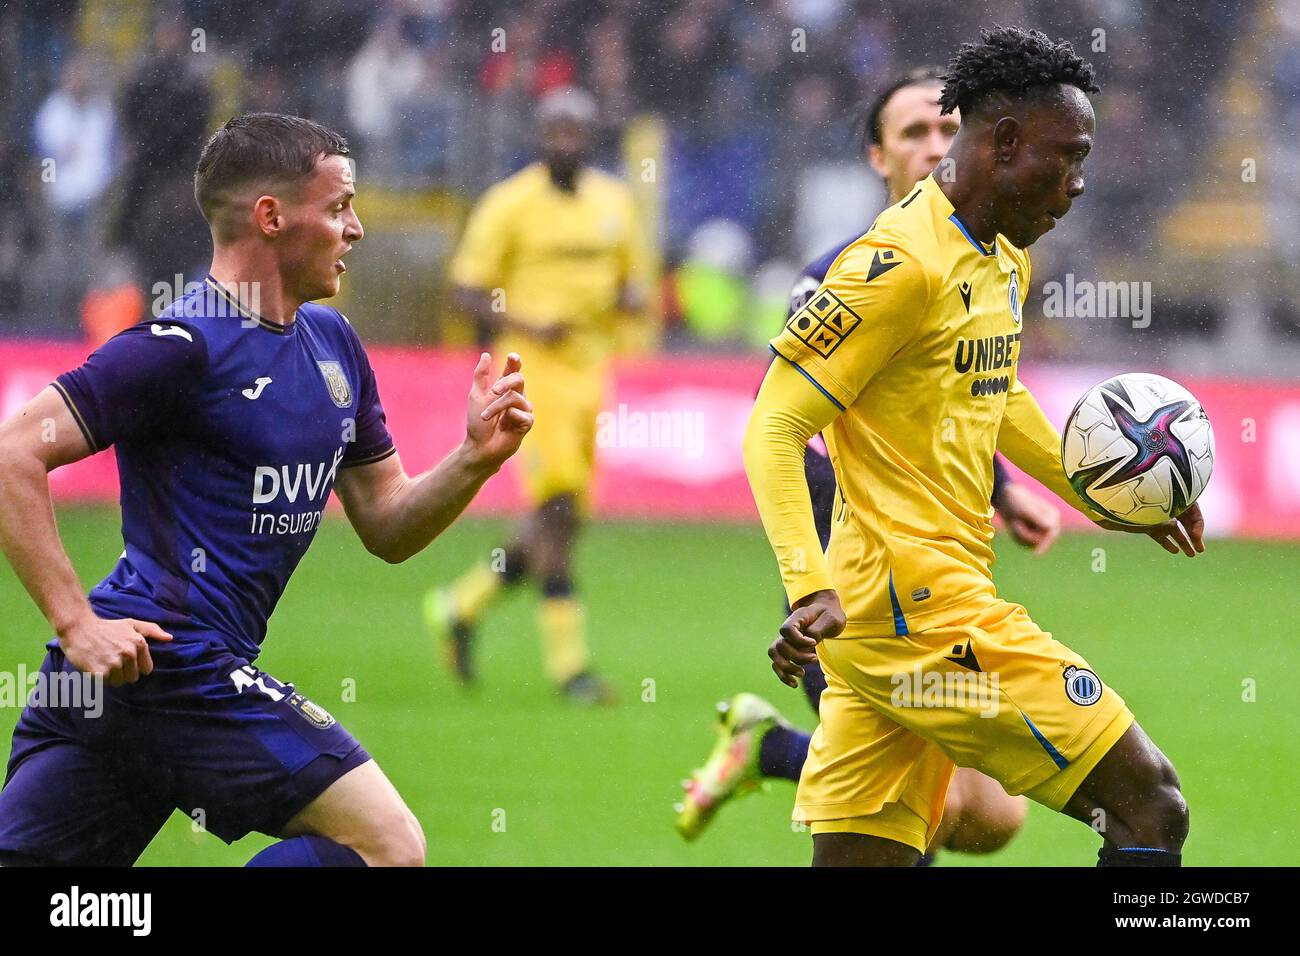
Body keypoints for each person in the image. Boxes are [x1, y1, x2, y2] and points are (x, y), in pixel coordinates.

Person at [0, 113, 533, 867]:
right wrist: (75, 621)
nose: (356, 228)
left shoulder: (333, 346)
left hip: (137, 683)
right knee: (389, 848)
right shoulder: (181, 347)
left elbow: (386, 522)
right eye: (339, 206)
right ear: (272, 217)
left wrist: (475, 457)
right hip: (171, 661)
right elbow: (13, 451)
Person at [744, 27, 1202, 867]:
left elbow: (993, 395)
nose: (1080, 180)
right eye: (1067, 157)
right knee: (1151, 806)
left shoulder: (1001, 257)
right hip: (922, 620)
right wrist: (806, 583)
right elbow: (774, 425)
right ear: (1002, 143)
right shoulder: (894, 265)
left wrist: (1110, 492)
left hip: (890, 636)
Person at [676, 67, 1062, 857]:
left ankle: (767, 748)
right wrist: (816, 577)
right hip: (851, 596)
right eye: (913, 133)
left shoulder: (985, 259)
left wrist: (1004, 486)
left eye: (948, 131)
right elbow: (787, 423)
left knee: (990, 818)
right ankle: (783, 752)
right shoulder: (846, 273)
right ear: (876, 157)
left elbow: (959, 396)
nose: (934, 147)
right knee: (901, 826)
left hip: (941, 588)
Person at [425, 88, 648, 704]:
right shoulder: (509, 204)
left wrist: (629, 300)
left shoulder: (615, 203)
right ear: (539, 135)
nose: (565, 140)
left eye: (575, 130)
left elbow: (632, 282)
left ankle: (460, 605)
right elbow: (469, 291)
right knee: (555, 514)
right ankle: (570, 667)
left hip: (590, 373)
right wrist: (525, 317)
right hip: (531, 371)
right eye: (555, 130)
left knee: (566, 516)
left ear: (590, 136)